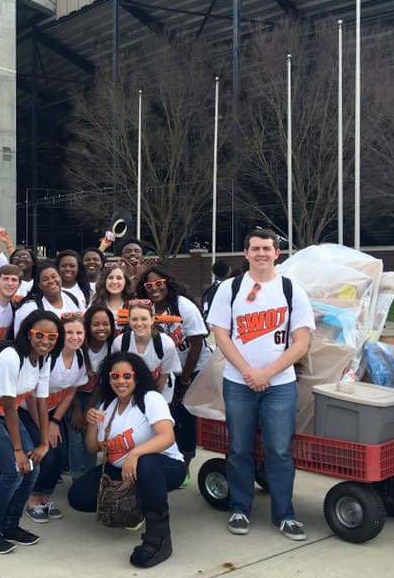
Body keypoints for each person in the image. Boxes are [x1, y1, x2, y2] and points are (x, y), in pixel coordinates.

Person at [206, 229, 314, 541]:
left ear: (276, 253)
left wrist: (267, 372)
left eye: (267, 248)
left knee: (279, 450)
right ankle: (240, 508)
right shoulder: (230, 288)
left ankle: (284, 514)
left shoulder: (292, 290)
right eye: (255, 248)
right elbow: (221, 334)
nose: (261, 253)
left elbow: (302, 341)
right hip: (238, 382)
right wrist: (248, 371)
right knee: (239, 448)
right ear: (246, 253)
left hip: (280, 383)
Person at [67, 352, 185, 568]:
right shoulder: (107, 406)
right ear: (108, 378)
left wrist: (135, 454)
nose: (121, 381)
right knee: (78, 496)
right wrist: (92, 422)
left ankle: (159, 537)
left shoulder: (150, 399)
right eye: (115, 376)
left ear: (136, 377)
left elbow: (167, 436)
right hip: (120, 468)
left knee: (146, 463)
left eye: (127, 376)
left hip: (163, 465)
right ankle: (137, 506)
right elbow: (93, 448)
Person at [0, 311, 65, 554]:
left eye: (52, 337)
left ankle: (10, 526)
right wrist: (18, 450)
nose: (46, 341)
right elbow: (10, 405)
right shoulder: (11, 357)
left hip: (3, 415)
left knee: (33, 468)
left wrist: (43, 443)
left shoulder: (44, 358)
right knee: (14, 471)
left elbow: (41, 400)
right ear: (28, 334)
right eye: (39, 335)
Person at [137, 265, 213, 487]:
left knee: (185, 418)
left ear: (167, 283)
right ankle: (164, 461)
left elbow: (197, 343)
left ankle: (185, 466)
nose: (154, 289)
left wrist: (186, 378)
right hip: (163, 372)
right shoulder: (146, 308)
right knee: (164, 417)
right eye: (148, 285)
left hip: (191, 368)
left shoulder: (182, 305)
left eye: (159, 284)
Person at [23, 313, 89, 522]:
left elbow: (71, 391)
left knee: (60, 454)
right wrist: (43, 427)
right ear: (61, 334)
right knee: (46, 453)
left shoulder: (80, 357)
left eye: (79, 332)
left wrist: (55, 422)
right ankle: (32, 499)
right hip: (27, 411)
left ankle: (46, 497)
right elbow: (32, 397)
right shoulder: (49, 357)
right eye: (69, 332)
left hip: (51, 412)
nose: (75, 337)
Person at [66, 306, 116, 476]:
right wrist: (77, 410)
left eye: (105, 324)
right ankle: (75, 475)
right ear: (87, 326)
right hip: (72, 396)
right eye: (95, 324)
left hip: (96, 396)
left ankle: (90, 474)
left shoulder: (113, 346)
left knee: (91, 434)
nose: (101, 328)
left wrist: (89, 409)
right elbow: (69, 382)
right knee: (75, 439)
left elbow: (102, 384)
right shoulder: (79, 344)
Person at [119, 299, 181, 402]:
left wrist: (152, 401)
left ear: (152, 319)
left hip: (160, 390)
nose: (139, 323)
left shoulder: (166, 344)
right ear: (128, 320)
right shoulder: (120, 343)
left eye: (144, 319)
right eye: (134, 319)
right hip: (132, 392)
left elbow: (164, 377)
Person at [13, 260, 83, 335]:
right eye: (45, 279)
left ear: (60, 278)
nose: (51, 281)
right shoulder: (29, 308)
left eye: (54, 276)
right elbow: (20, 338)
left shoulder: (73, 299)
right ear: (40, 285)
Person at [0, 202, 36, 299]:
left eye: (25, 256)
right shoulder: (7, 272)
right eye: (16, 258)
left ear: (33, 261)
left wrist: (8, 243)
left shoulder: (40, 281)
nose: (20, 259)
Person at [91, 261, 133, 329]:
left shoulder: (134, 304)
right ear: (104, 281)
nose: (114, 281)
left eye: (119, 278)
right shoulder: (95, 303)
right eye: (110, 278)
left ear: (126, 281)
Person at [0, 264, 21, 340]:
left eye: (14, 280)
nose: (10, 283)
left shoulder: (14, 309)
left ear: (19, 285)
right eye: (6, 279)